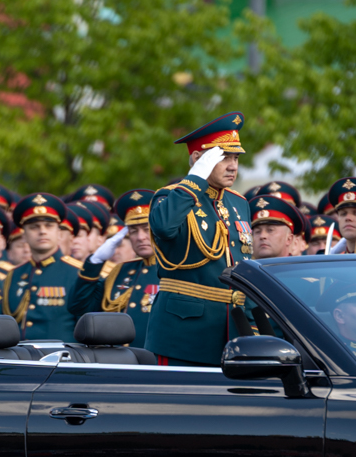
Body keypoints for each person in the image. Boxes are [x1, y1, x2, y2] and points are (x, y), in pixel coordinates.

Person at [142, 112, 255, 365]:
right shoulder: (172, 198)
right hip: (184, 335)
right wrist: (194, 179)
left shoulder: (239, 203)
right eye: (223, 157)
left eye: (235, 157)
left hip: (233, 333)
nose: (233, 166)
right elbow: (164, 228)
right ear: (197, 159)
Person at [69, 189, 161, 345]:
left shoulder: (177, 270)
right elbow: (79, 307)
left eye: (147, 229)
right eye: (133, 231)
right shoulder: (120, 271)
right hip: (119, 361)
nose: (140, 237)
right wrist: (95, 262)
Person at [6, 193, 85, 342]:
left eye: (49, 226)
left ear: (58, 233)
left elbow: (87, 331)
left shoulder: (79, 273)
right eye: (34, 227)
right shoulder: (14, 275)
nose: (42, 231)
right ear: (24, 235)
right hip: (19, 361)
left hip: (63, 361)